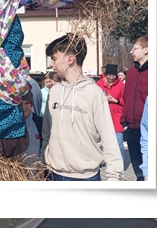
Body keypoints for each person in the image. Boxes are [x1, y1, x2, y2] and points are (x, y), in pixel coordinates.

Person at [41, 34, 123, 181]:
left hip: (86, 178)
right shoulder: (54, 91)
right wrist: (42, 161)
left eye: (54, 58)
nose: (51, 65)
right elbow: (47, 132)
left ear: (70, 60)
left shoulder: (94, 93)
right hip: (52, 174)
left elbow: (109, 138)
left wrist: (113, 177)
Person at [122, 35, 149, 180]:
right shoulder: (131, 72)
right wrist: (124, 121)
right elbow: (126, 98)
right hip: (131, 128)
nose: (132, 52)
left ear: (146, 50)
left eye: (135, 48)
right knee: (138, 169)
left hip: (148, 129)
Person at [96, 63, 129, 170]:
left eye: (113, 75)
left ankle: (120, 164)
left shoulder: (121, 85)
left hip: (117, 116)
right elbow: (93, 99)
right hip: (102, 115)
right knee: (100, 141)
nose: (111, 77)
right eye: (109, 75)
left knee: (118, 141)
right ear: (105, 74)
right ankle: (100, 161)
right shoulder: (99, 84)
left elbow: (125, 100)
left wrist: (115, 100)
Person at [19, 86, 43, 166]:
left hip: (34, 172)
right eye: (20, 104)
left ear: (31, 104)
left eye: (27, 103)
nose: (24, 107)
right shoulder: (11, 123)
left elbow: (44, 146)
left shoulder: (39, 122)